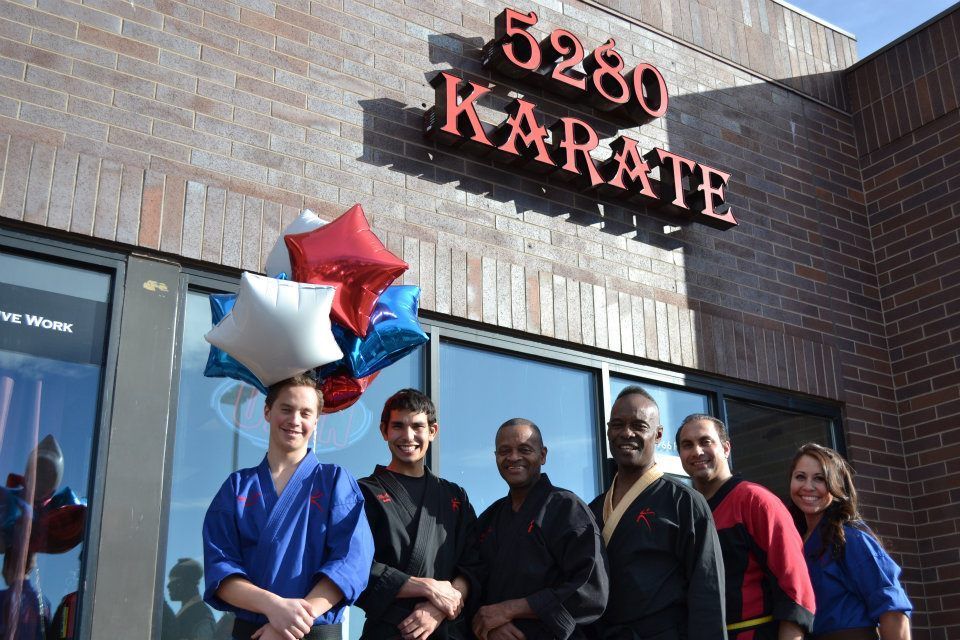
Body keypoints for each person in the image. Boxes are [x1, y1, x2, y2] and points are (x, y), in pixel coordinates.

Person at [202, 373, 375, 640]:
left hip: (314, 631)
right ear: (267, 412)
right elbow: (220, 569)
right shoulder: (237, 487)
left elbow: (352, 561)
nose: (295, 420)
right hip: (256, 633)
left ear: (316, 422)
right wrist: (274, 607)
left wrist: (292, 621)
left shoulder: (335, 481)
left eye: (306, 413)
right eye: (286, 409)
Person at [589, 386, 726, 640]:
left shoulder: (684, 503)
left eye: (639, 426)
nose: (626, 433)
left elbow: (707, 593)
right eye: (617, 424)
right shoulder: (592, 510)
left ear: (658, 434)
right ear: (608, 431)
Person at [677, 415, 814, 640]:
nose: (697, 451)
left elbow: (794, 585)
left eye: (705, 441)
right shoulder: (684, 512)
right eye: (687, 445)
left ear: (726, 448)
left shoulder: (755, 501)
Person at [356, 389, 479, 640]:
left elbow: (475, 563)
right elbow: (353, 566)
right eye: (398, 426)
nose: (408, 436)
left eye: (418, 427)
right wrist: (427, 587)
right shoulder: (363, 492)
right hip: (389, 631)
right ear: (384, 431)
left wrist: (440, 606)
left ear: (432, 431)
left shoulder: (454, 496)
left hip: (447, 629)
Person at [472, 418, 608, 640]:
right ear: (495, 456)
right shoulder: (489, 518)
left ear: (543, 455)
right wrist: (489, 622)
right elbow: (474, 584)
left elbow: (590, 588)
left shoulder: (566, 508)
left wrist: (509, 609)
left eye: (524, 449)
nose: (513, 457)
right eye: (504, 451)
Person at [788, 444, 912, 640]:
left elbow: (892, 609)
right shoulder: (794, 540)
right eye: (800, 477)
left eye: (820, 478)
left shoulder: (851, 538)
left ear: (836, 484)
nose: (808, 486)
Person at [167, 558, 215, 640]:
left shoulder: (201, 614)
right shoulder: (191, 612)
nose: (168, 586)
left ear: (187, 583)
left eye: (174, 580)